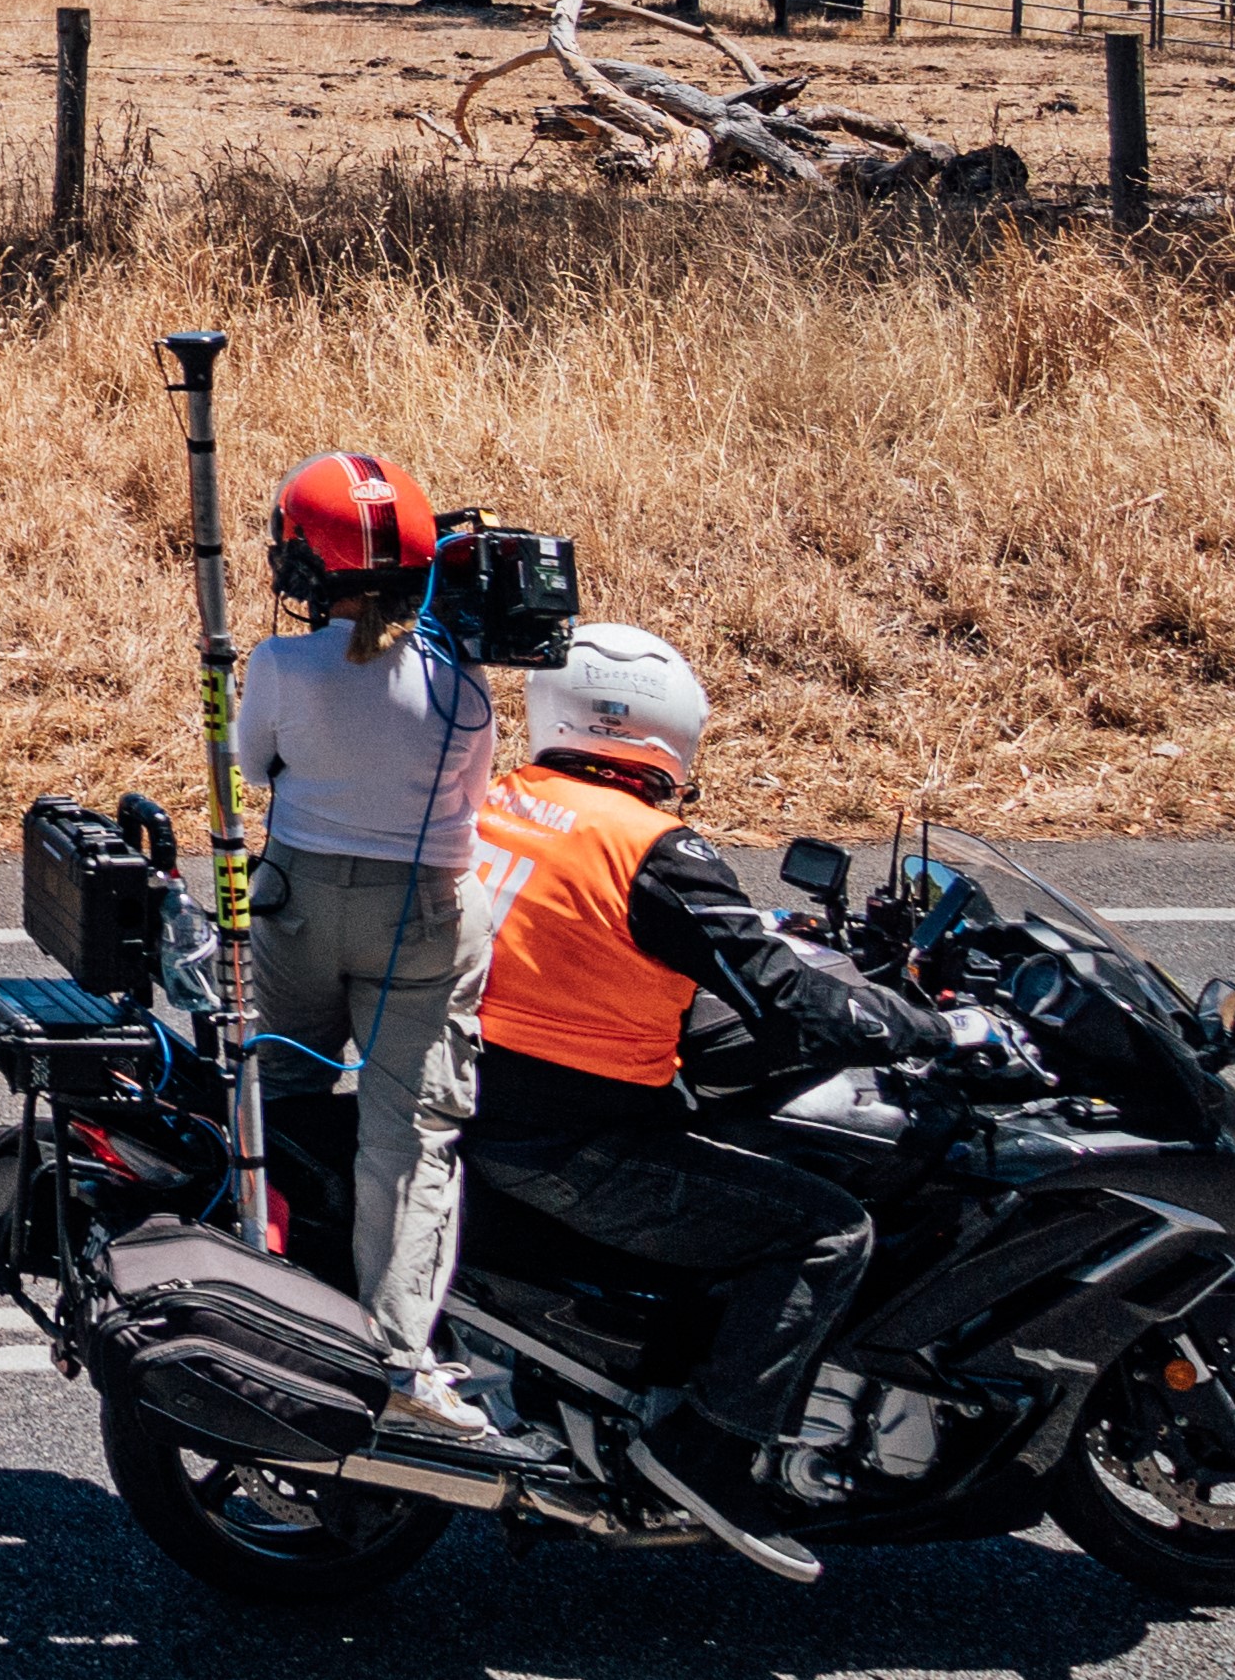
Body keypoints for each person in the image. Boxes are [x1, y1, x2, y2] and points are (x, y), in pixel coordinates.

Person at [464, 622, 1031, 1581]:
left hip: (476, 1094)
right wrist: (940, 1032)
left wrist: (771, 931)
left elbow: (659, 942)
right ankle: (708, 1455)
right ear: (658, 724)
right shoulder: (647, 845)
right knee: (825, 1230)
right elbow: (790, 992)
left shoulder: (508, 801)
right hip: (572, 1139)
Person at [238, 453, 496, 1439]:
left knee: (287, 1086)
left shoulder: (277, 664)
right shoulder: (459, 671)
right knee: (409, 1132)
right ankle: (396, 1349)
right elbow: (469, 802)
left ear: (301, 567)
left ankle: (281, 1281)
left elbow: (249, 768)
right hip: (420, 918)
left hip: (299, 901)